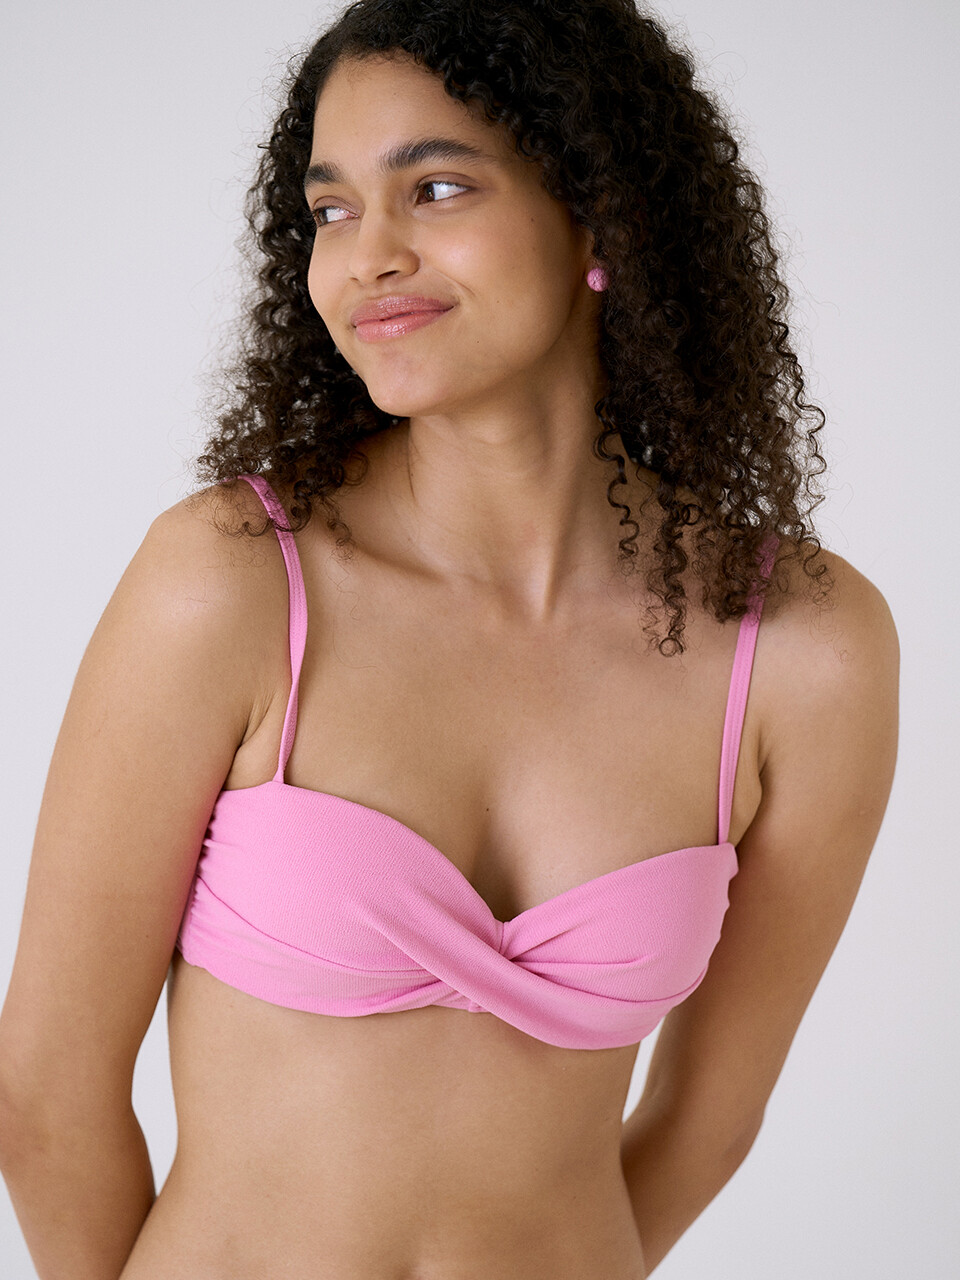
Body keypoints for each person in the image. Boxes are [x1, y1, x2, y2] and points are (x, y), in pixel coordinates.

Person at [0, 1, 899, 1277]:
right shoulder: (235, 579)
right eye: (331, 209)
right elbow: (44, 1093)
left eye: (434, 188)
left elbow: (711, 1114)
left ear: (600, 217)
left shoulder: (806, 648)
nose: (366, 255)